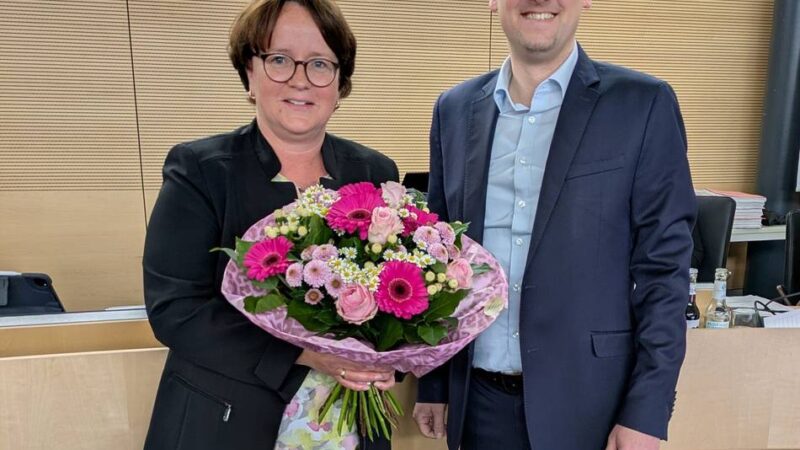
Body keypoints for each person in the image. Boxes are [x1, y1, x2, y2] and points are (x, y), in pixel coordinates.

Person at [413, 1, 696, 449]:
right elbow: (438, 259)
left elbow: (664, 272)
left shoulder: (642, 104)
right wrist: (434, 382)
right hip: (478, 405)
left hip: (594, 406)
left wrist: (647, 409)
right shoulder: (455, 109)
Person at [142, 1, 398, 449]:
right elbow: (175, 310)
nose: (300, 79)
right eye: (279, 60)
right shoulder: (201, 170)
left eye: (320, 64)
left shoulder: (375, 172)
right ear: (249, 72)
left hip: (347, 425)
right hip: (226, 419)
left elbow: (400, 292)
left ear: (340, 85)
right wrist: (305, 352)